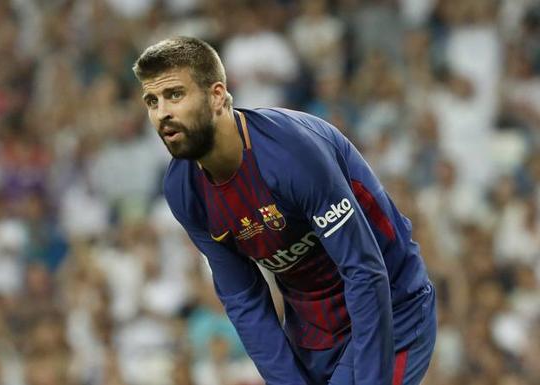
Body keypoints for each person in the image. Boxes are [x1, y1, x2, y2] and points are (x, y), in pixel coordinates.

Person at [132, 36, 437, 385]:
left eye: (174, 94)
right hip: (315, 337)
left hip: (392, 312)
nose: (162, 113)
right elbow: (244, 300)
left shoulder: (291, 153)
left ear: (217, 95)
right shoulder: (183, 190)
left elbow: (365, 272)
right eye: (151, 101)